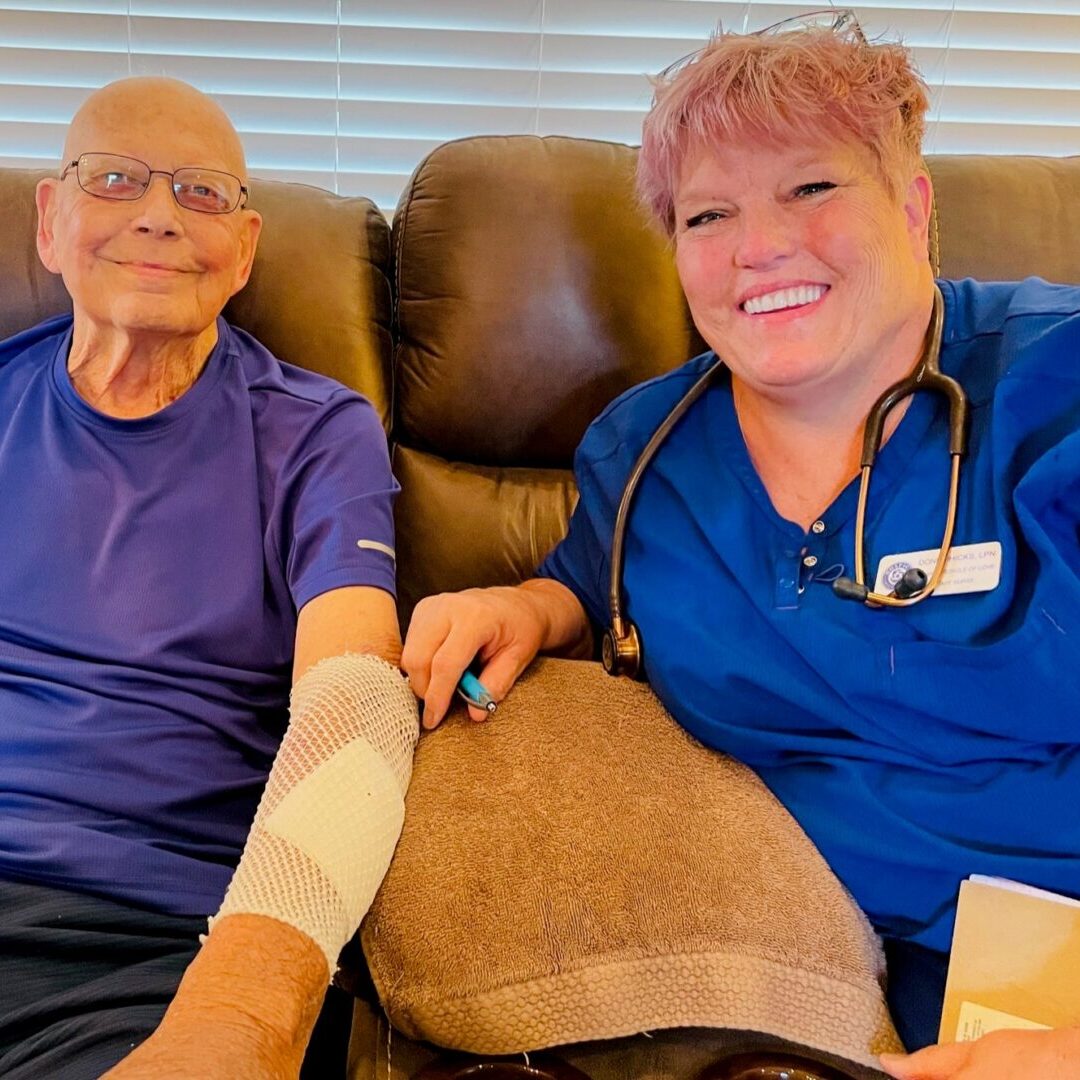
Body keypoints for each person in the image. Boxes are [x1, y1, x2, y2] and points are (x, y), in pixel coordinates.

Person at [400, 14, 1080, 1079]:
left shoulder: (1058, 390)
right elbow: (603, 578)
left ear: (913, 205)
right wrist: (527, 608)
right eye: (710, 212)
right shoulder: (646, 453)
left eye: (811, 188)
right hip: (875, 982)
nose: (758, 247)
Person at [0, 77, 417, 1078]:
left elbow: (358, 698)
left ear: (245, 250)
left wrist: (243, 1013)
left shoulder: (318, 433)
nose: (156, 214)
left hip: (139, 943)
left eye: (200, 194)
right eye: (114, 179)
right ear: (51, 222)